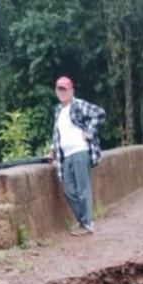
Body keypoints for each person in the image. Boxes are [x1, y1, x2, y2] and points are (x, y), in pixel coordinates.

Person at [47, 76, 106, 236]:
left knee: (83, 189)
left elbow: (99, 113)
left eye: (65, 89)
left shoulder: (78, 105)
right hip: (66, 156)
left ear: (71, 90)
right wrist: (52, 151)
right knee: (69, 191)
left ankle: (86, 224)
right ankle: (84, 221)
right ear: (56, 91)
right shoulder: (58, 110)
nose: (63, 92)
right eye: (60, 89)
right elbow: (56, 134)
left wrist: (90, 132)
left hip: (80, 151)